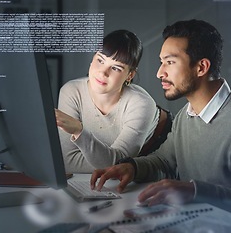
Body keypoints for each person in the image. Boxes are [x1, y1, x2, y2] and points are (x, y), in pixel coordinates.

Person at [91, 19, 231, 227]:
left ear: (201, 67)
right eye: (161, 62)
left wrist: (194, 191)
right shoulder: (186, 114)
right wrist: (132, 168)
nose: (160, 73)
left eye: (170, 62)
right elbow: (165, 161)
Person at [55, 29, 159, 173]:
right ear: (92, 59)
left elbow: (119, 165)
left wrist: (79, 130)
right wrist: (107, 161)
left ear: (130, 75)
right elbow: (67, 161)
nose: (103, 72)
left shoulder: (141, 103)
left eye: (116, 68)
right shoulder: (72, 91)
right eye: (100, 60)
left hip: (153, 163)